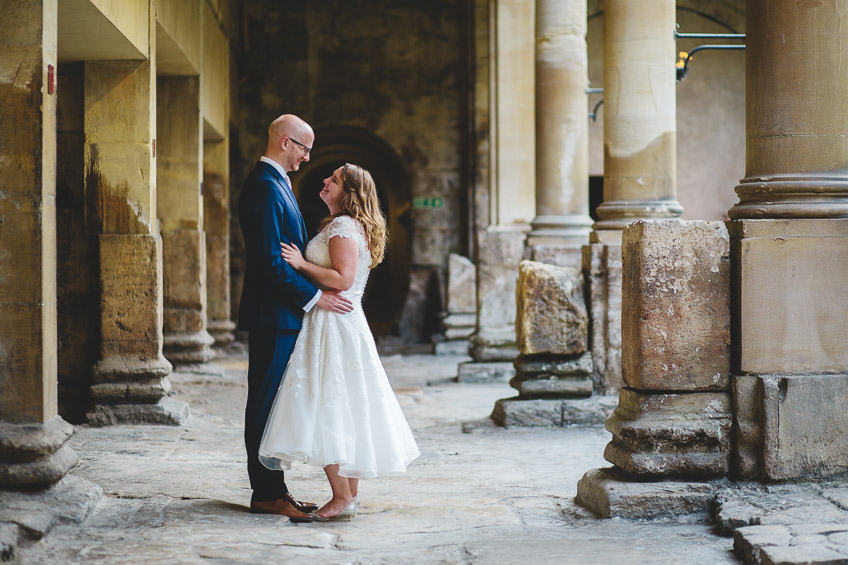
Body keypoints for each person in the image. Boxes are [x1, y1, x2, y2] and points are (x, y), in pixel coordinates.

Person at [258, 163, 420, 522]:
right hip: (340, 321)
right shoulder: (343, 225)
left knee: (327, 403)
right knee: (345, 405)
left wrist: (301, 263)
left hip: (333, 322)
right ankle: (348, 495)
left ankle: (341, 495)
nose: (325, 181)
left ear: (347, 192)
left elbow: (343, 279)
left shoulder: (345, 226)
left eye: (333, 180)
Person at [238, 114, 354, 523]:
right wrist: (314, 297)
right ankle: (266, 493)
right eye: (305, 149)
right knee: (265, 404)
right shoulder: (264, 187)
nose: (307, 158)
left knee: (275, 405)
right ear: (286, 142)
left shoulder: (278, 183)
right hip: (273, 315)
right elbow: (271, 263)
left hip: (283, 314)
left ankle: (276, 489)